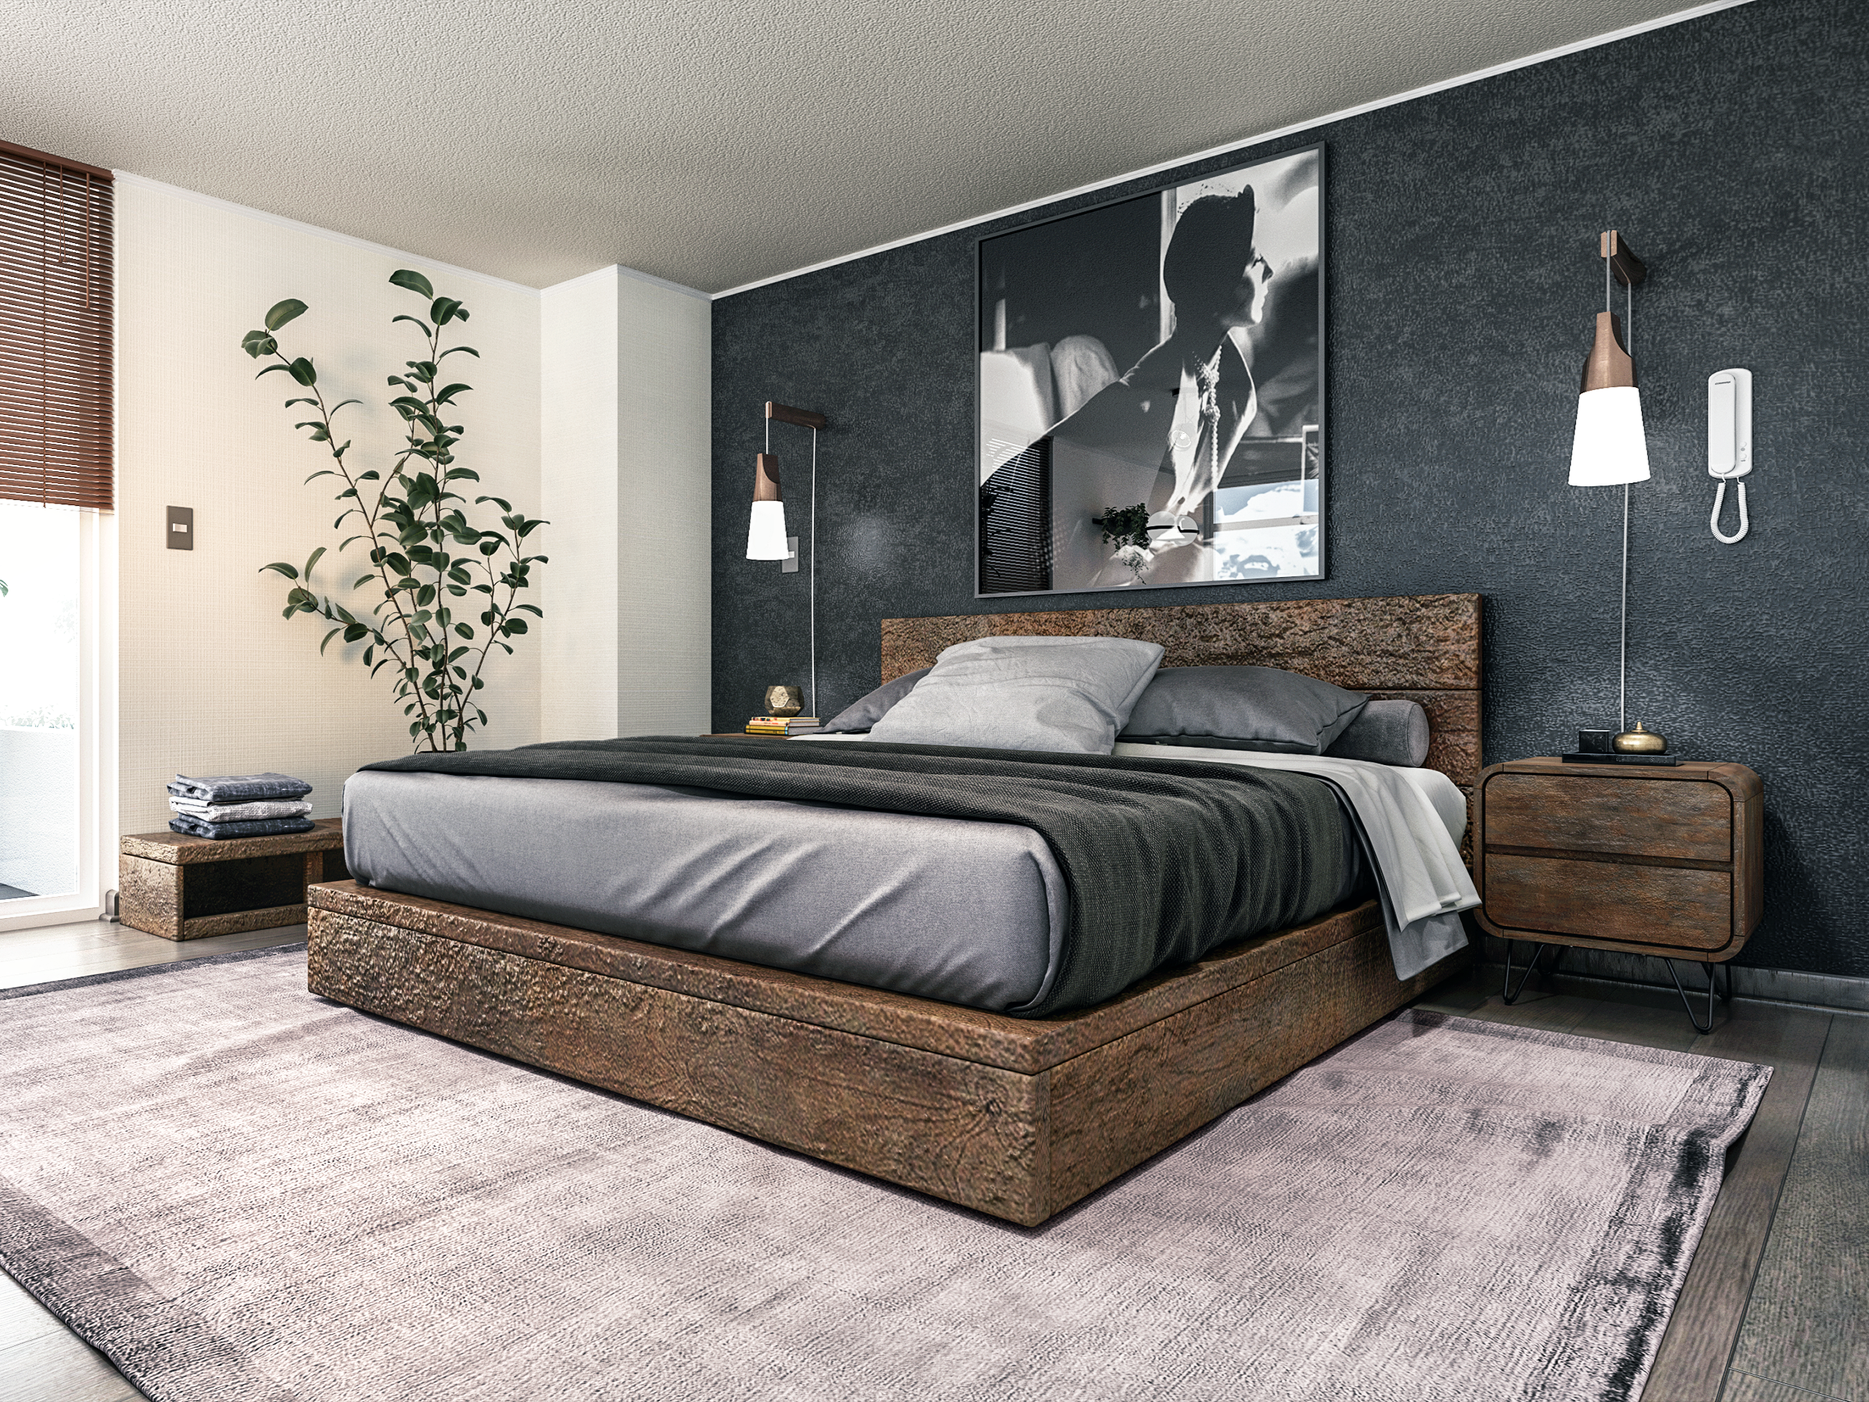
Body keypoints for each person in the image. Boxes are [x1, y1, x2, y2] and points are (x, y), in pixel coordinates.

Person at [1044, 190, 1272, 586]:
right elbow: (1102, 559)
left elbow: (1186, 516)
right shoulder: (1146, 402)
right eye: (1256, 261)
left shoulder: (1236, 393)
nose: (1269, 272)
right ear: (1218, 284)